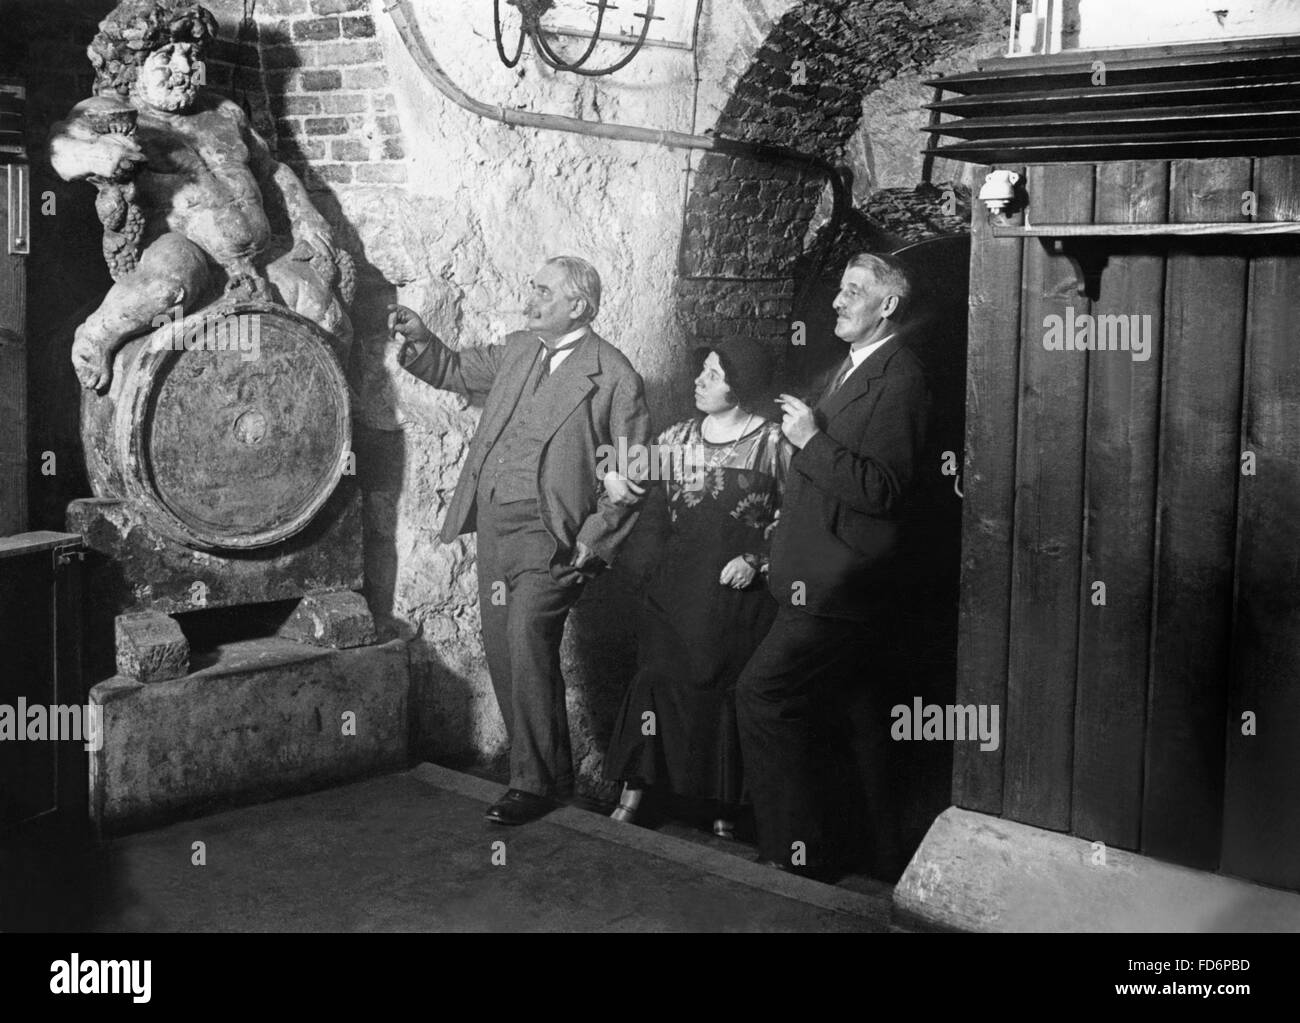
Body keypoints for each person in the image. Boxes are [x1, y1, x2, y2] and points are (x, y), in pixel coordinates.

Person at [388, 256, 651, 826]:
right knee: (505, 647)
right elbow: (454, 369)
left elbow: (633, 475)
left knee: (528, 637)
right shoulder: (519, 350)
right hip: (496, 527)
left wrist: (594, 540)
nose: (528, 299)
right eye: (531, 287)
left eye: (542, 292)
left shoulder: (614, 375)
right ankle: (550, 777)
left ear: (578, 306)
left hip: (551, 536)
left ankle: (530, 784)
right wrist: (421, 338)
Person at [736, 253, 930, 877]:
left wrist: (810, 439)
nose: (837, 302)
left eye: (853, 292)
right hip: (809, 574)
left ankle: (795, 853)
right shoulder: (848, 369)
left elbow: (881, 491)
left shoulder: (902, 379)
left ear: (888, 306)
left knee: (762, 694)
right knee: (854, 717)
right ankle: (875, 855)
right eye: (840, 290)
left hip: (840, 584)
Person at [48, 0, 349, 391]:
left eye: (190, 55)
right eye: (166, 57)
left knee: (329, 318)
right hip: (184, 252)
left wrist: (307, 217)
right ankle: (94, 337)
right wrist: (95, 155)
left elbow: (272, 170)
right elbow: (58, 145)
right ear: (132, 67)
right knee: (168, 286)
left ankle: (326, 415)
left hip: (256, 259)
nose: (185, 68)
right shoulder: (116, 114)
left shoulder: (224, 113)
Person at [600, 339, 791, 838]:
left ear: (742, 383)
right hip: (675, 585)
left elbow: (797, 519)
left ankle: (723, 802)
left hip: (735, 594)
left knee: (718, 691)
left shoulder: (774, 444)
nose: (699, 383)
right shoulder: (679, 435)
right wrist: (613, 477)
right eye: (701, 372)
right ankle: (635, 791)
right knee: (656, 678)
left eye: (714, 374)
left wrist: (759, 561)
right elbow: (629, 479)